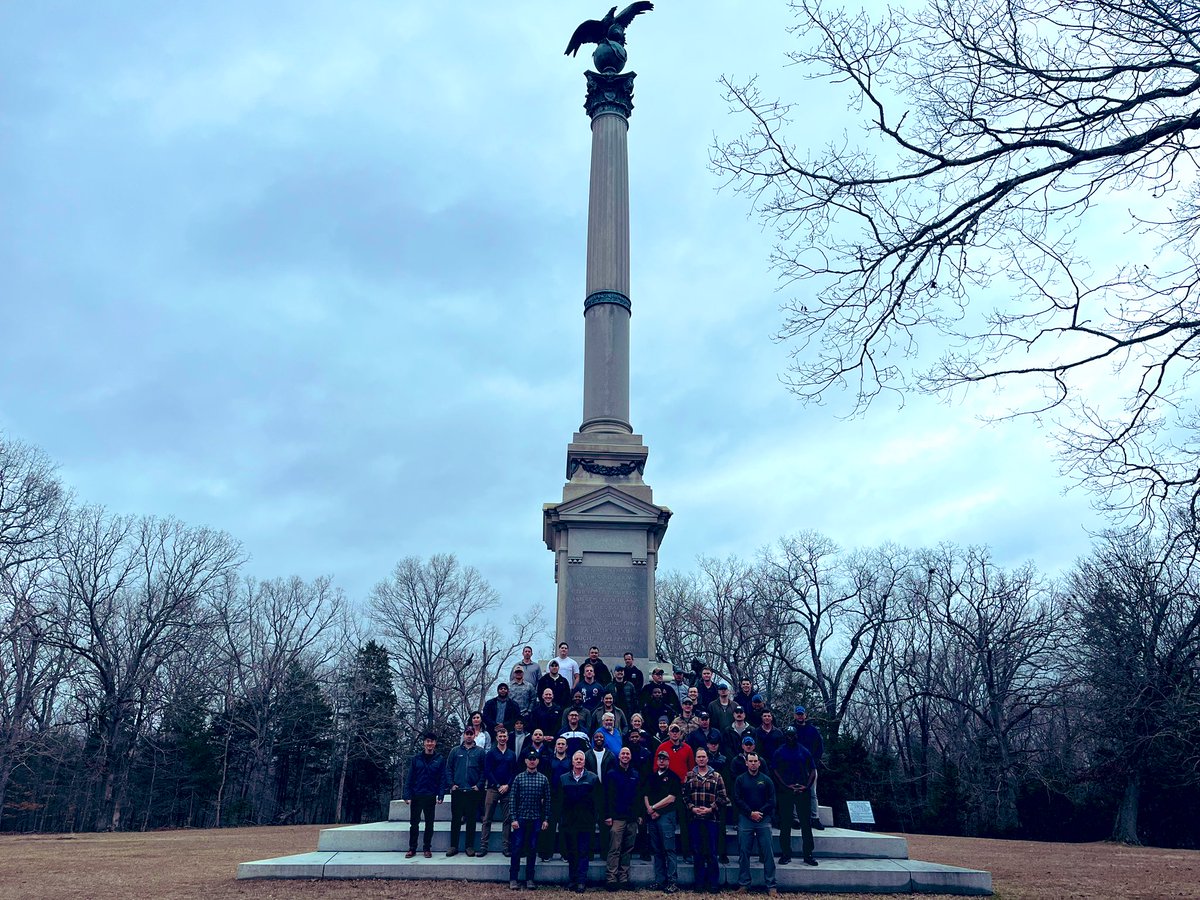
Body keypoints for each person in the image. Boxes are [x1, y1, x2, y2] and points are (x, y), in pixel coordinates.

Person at [771, 726, 818, 867]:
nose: (791, 737)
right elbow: (775, 771)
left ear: (796, 736)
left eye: (793, 735)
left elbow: (813, 770)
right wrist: (786, 786)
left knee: (806, 824)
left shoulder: (804, 751)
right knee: (785, 824)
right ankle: (786, 854)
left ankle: (808, 854)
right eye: (788, 735)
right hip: (786, 792)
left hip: (803, 792)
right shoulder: (779, 752)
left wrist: (806, 787)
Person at [683, 748, 728, 894]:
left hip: (711, 820)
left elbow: (723, 797)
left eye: (704, 757)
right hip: (695, 819)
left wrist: (711, 809)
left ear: (707, 759)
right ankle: (699, 883)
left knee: (712, 853)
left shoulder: (716, 776)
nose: (701, 759)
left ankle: (713, 883)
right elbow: (684, 796)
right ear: (695, 759)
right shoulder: (689, 776)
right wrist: (692, 808)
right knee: (697, 852)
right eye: (699, 757)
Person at [734, 752, 778, 896]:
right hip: (746, 819)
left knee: (768, 853)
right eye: (750, 761)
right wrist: (750, 813)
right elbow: (737, 799)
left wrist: (760, 813)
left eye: (755, 761)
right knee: (743, 852)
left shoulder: (766, 780)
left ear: (759, 763)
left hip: (763, 820)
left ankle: (771, 885)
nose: (753, 763)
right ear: (746, 763)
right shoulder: (740, 780)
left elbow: (772, 801)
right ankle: (744, 884)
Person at [508, 747, 552, 890]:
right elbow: (512, 799)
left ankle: (530, 879)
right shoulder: (518, 778)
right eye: (530, 759)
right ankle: (513, 878)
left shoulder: (543, 779)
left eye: (534, 759)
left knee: (532, 849)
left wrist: (546, 819)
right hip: (520, 819)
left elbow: (547, 801)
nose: (532, 761)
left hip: (536, 819)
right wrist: (513, 819)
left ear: (538, 761)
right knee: (516, 849)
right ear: (526, 761)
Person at [560, 750, 601, 893]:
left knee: (583, 852)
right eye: (576, 759)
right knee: (572, 852)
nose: (578, 761)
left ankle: (582, 882)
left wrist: (593, 818)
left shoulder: (592, 778)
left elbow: (597, 801)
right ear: (572, 761)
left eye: (581, 759)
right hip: (569, 822)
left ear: (584, 762)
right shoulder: (563, 778)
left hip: (586, 822)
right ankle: (572, 880)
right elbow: (560, 801)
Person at [604, 745, 642, 889]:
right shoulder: (611, 774)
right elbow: (606, 797)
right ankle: (611, 878)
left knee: (627, 849)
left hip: (631, 818)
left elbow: (638, 796)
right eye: (623, 754)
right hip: (617, 818)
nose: (625, 756)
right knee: (614, 849)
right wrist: (607, 815)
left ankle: (624, 878)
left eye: (628, 754)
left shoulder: (635, 774)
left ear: (630, 757)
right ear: (619, 757)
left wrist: (639, 815)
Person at [403, 731, 445, 858]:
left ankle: (427, 848)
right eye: (427, 741)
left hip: (430, 795)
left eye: (432, 741)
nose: (429, 744)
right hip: (417, 794)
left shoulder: (440, 759)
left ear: (435, 743)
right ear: (423, 743)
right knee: (414, 823)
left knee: (429, 823)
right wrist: (407, 794)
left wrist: (441, 794)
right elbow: (410, 777)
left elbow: (442, 778)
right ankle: (412, 848)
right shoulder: (416, 759)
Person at [644, 749, 681, 893]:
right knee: (657, 850)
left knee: (669, 850)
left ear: (668, 761)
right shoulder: (651, 777)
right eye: (659, 759)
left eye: (664, 759)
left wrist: (654, 808)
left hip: (666, 816)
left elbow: (671, 798)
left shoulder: (673, 777)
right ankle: (660, 881)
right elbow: (645, 794)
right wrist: (649, 809)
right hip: (652, 817)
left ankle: (672, 881)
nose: (661, 761)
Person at [445, 725, 486, 857]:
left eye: (471, 733)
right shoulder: (455, 751)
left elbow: (484, 771)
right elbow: (449, 769)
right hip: (458, 790)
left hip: (472, 791)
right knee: (456, 820)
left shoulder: (480, 752)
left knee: (471, 820)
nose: (469, 735)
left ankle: (469, 846)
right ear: (463, 735)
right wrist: (451, 784)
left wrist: (479, 785)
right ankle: (453, 846)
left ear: (474, 735)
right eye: (467, 733)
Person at [657, 724, 695, 856]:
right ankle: (665, 852)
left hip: (683, 790)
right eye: (672, 731)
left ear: (680, 733)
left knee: (684, 822)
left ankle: (686, 852)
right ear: (668, 732)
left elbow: (691, 769)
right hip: (666, 790)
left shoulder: (687, 748)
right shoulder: (662, 747)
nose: (674, 734)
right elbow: (656, 769)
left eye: (676, 731)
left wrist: (687, 778)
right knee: (667, 822)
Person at [480, 724, 517, 858]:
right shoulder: (491, 753)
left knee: (507, 819)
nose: (502, 738)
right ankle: (484, 846)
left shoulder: (511, 754)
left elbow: (514, 772)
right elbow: (487, 771)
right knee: (487, 818)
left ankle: (506, 847)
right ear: (497, 737)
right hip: (493, 789)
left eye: (504, 736)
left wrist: (507, 785)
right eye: (500, 736)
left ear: (507, 738)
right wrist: (497, 785)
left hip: (507, 789)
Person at [793, 706, 826, 830]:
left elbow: (820, 748)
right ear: (795, 715)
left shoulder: (813, 730)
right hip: (794, 767)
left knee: (812, 793)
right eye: (798, 714)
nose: (800, 716)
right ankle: (795, 819)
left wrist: (814, 762)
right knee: (795, 792)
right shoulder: (791, 729)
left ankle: (815, 818)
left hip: (810, 767)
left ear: (805, 715)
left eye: (802, 714)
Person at [540, 737, 573, 861]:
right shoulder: (549, 761)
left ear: (566, 747)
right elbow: (545, 778)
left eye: (563, 744)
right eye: (558, 744)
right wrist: (543, 795)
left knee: (565, 826)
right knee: (550, 826)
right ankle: (547, 853)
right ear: (555, 746)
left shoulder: (570, 761)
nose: (560, 746)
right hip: (551, 797)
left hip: (566, 798)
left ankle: (565, 854)